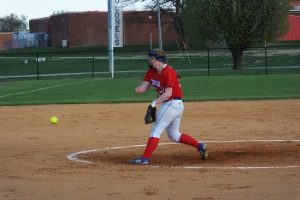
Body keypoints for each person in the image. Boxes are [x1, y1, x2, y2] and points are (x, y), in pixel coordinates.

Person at [129, 49, 208, 165]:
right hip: (173, 105)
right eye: (149, 58)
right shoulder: (151, 72)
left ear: (160, 60)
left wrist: (154, 102)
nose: (150, 61)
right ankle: (200, 146)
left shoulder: (169, 72)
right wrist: (137, 89)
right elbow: (143, 87)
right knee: (174, 135)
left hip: (172, 103)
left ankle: (145, 158)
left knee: (155, 130)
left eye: (152, 59)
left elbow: (168, 94)